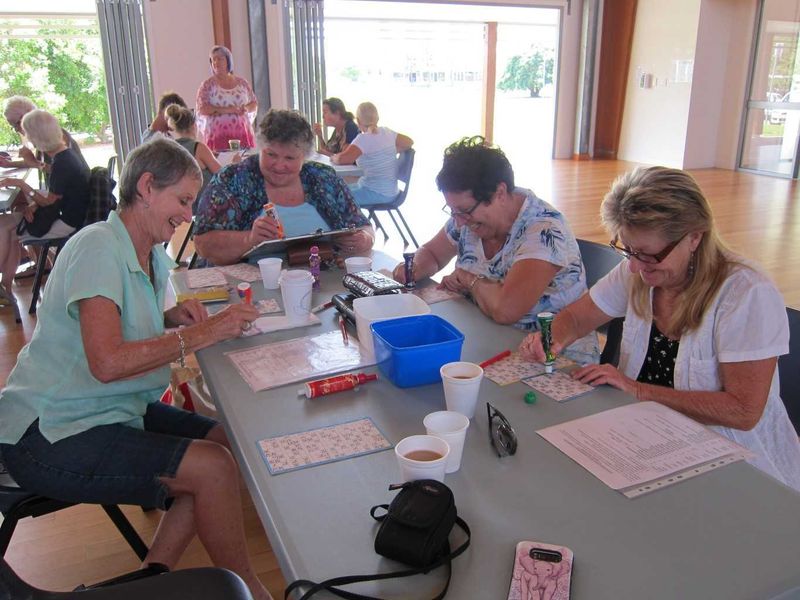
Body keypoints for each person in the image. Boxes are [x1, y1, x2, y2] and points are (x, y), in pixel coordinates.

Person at [0, 137, 271, 599]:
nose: (188, 215)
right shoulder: (98, 247)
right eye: (183, 200)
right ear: (146, 186)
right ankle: (249, 588)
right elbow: (106, 362)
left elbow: (117, 317)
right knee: (212, 468)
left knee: (229, 444)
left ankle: (153, 578)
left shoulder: (145, 252)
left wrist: (170, 317)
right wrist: (205, 332)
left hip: (109, 408)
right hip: (49, 433)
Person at [518, 166, 800, 492]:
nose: (635, 266)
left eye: (649, 255)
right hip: (646, 443)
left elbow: (743, 411)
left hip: (738, 469)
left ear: (695, 236)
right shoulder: (639, 270)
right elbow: (579, 319)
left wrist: (638, 390)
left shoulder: (746, 293)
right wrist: (551, 341)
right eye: (628, 250)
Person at [392, 136, 597, 363]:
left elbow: (505, 310)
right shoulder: (469, 218)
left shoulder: (544, 230)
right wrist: (415, 268)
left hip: (551, 359)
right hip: (487, 338)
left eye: (464, 211)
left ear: (500, 193)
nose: (459, 222)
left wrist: (469, 279)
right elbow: (432, 253)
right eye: (452, 211)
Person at [194, 109, 374, 266]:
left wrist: (364, 240)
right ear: (260, 148)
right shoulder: (232, 179)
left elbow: (364, 226)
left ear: (304, 157)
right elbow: (203, 244)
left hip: (322, 279)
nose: (279, 166)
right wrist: (249, 239)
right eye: (271, 154)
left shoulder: (324, 178)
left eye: (290, 158)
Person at [0, 109, 90, 301]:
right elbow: (54, 195)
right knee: (7, 226)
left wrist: (21, 185)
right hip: (67, 215)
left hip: (65, 223)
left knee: (4, 227)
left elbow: (50, 201)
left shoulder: (62, 163)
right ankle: (5, 288)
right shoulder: (65, 155)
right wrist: (32, 205)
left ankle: (5, 288)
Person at [332, 101, 414, 207]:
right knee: (339, 191)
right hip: (391, 191)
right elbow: (409, 142)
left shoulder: (362, 139)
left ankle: (357, 223)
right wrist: (389, 151)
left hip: (376, 192)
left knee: (335, 199)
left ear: (358, 121)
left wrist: (334, 157)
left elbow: (342, 159)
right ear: (377, 118)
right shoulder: (387, 132)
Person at [0, 95, 88, 176]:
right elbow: (40, 163)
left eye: (15, 125)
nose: (16, 130)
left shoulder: (53, 136)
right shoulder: (42, 136)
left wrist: (33, 164)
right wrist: (8, 164)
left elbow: (64, 171)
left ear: (23, 119)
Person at [196, 45, 257, 152]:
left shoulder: (242, 83)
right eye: (213, 59)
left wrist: (245, 109)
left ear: (228, 61)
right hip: (217, 136)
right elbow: (202, 109)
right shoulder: (207, 85)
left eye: (220, 58)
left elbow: (254, 103)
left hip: (242, 134)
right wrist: (228, 110)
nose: (216, 62)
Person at [164, 102, 227, 195]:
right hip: (204, 202)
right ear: (194, 125)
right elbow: (223, 175)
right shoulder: (199, 148)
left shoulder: (169, 149)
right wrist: (234, 162)